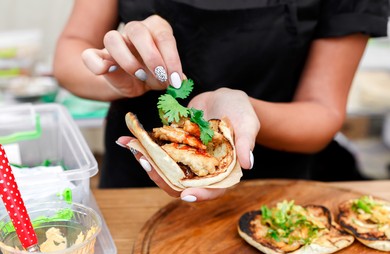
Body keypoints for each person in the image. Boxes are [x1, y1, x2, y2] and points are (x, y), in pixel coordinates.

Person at [53, 0, 389, 202]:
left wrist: (242, 110)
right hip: (134, 185)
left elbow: (323, 112)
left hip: (272, 187)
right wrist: (126, 81)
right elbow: (69, 56)